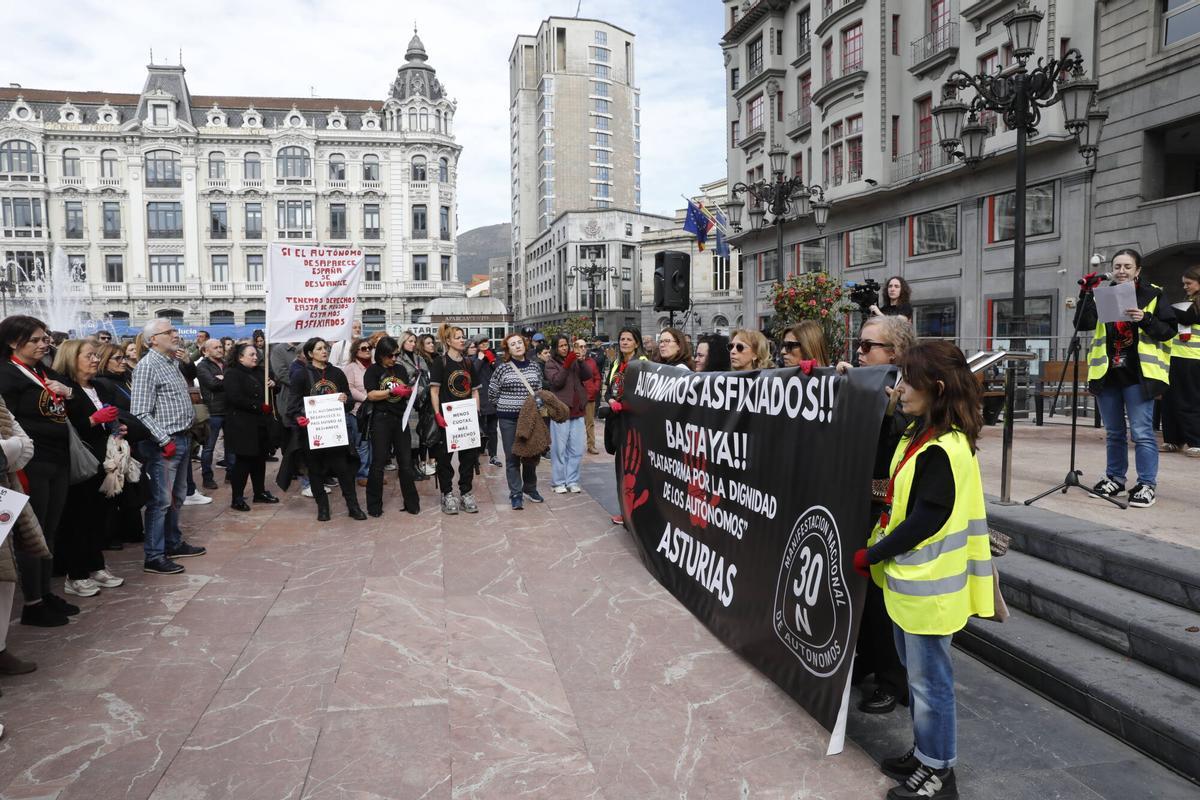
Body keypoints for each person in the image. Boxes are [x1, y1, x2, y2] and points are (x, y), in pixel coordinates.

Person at [856, 339, 993, 800]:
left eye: (907, 380)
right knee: (919, 682)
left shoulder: (944, 447)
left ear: (934, 388)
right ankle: (924, 754)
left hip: (930, 590)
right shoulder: (922, 435)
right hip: (911, 585)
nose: (900, 388)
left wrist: (871, 554)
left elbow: (925, 518)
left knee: (931, 686)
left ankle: (938, 773)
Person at [837, 314, 918, 715]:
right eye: (859, 344)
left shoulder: (912, 394)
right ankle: (867, 662)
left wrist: (885, 406)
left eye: (869, 346)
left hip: (893, 512)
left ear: (896, 353)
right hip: (859, 504)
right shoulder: (865, 385)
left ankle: (892, 678)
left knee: (884, 602)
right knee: (862, 596)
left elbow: (900, 449)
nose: (859, 351)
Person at [1075, 249, 1177, 507]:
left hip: (1138, 375)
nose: (1121, 271)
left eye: (1127, 267)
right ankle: (1115, 478)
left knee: (1142, 433)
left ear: (1138, 270)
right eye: (1118, 266)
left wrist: (1146, 318)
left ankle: (1146, 483)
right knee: (1114, 433)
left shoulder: (1153, 294)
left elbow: (1168, 332)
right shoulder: (1104, 293)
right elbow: (1083, 323)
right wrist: (1085, 294)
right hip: (1108, 374)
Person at [0, 316, 77, 625]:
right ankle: (33, 601)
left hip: (57, 458)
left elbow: (70, 393)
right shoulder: (6, 374)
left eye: (46, 338)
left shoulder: (43, 370)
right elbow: (8, 421)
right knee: (34, 531)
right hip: (31, 463)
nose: (44, 344)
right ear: (12, 342)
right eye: (36, 339)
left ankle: (45, 592)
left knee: (51, 527)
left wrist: (67, 391)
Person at [130, 318, 207, 575]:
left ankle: (173, 542)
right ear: (154, 339)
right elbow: (140, 411)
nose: (176, 334)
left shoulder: (172, 362)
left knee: (177, 496)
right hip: (167, 443)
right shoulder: (148, 366)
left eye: (175, 330)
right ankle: (154, 555)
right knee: (161, 501)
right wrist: (163, 440)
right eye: (169, 331)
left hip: (183, 437)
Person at [53, 338, 124, 598]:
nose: (95, 360)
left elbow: (110, 416)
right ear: (72, 358)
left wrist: (116, 427)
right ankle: (76, 574)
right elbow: (70, 425)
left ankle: (96, 566)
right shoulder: (65, 388)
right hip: (80, 462)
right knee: (78, 519)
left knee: (97, 517)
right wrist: (94, 419)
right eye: (89, 356)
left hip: (103, 460)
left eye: (96, 356)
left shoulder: (98, 387)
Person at [287, 337, 366, 522]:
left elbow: (348, 399)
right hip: (313, 432)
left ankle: (353, 507)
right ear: (309, 353)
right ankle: (323, 508)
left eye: (326, 348)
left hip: (334, 431)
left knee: (344, 471)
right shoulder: (301, 375)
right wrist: (300, 417)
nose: (324, 351)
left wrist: (346, 400)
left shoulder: (337, 373)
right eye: (319, 348)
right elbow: (292, 406)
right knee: (315, 471)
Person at [0, 394, 45, 687]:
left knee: (5, 577)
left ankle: (0, 649)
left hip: (4, 491)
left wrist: (7, 450)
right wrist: (8, 449)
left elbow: (25, 444)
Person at [94, 343, 150, 550]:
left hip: (133, 438)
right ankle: (112, 533)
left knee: (133, 484)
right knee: (116, 486)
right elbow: (114, 412)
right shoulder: (102, 383)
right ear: (104, 360)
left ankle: (132, 529)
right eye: (117, 358)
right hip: (117, 441)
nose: (123, 362)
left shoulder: (125, 379)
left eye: (123, 358)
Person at [363, 336, 421, 517]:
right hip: (381, 419)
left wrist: (407, 392)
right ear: (380, 355)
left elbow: (405, 388)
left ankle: (412, 503)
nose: (394, 359)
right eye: (390, 355)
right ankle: (374, 506)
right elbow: (371, 395)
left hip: (400, 418)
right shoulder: (372, 371)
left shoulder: (400, 369)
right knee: (378, 463)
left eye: (396, 355)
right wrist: (391, 391)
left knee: (405, 463)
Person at [488, 331, 546, 510]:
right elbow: (492, 393)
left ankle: (530, 488)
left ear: (525, 344)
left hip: (530, 419)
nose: (517, 346)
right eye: (512, 344)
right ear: (508, 349)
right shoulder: (503, 368)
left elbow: (539, 389)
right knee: (512, 456)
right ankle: (515, 493)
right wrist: (507, 407)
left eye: (519, 342)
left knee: (530, 454)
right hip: (508, 420)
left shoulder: (535, 367)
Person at [430, 323, 481, 515]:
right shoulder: (440, 362)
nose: (462, 340)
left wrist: (475, 412)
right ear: (448, 341)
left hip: (466, 418)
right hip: (448, 418)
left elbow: (475, 391)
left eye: (463, 336)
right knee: (445, 459)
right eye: (458, 337)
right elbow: (434, 391)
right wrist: (437, 414)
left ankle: (466, 492)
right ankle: (447, 493)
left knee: (468, 458)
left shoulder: (468, 363)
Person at [223, 343, 279, 511]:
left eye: (256, 354)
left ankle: (259, 492)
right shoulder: (232, 373)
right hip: (243, 426)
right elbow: (235, 398)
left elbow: (273, 391)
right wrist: (258, 406)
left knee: (259, 460)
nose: (255, 357)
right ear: (240, 357)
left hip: (261, 425)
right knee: (243, 462)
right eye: (251, 354)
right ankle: (237, 497)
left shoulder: (261, 372)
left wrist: (273, 385)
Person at [604, 326, 649, 525]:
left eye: (629, 339)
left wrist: (626, 404)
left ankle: (634, 513)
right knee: (621, 468)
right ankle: (623, 510)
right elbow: (608, 392)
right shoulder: (615, 364)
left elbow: (645, 395)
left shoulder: (644, 364)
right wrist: (611, 401)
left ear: (636, 343)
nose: (624, 342)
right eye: (622, 339)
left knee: (633, 470)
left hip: (635, 425)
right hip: (617, 423)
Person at [544, 333, 592, 494]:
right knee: (559, 449)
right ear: (555, 348)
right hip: (561, 411)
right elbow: (557, 382)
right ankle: (558, 482)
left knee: (577, 449)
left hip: (577, 410)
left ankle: (572, 480)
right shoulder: (550, 363)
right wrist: (567, 364)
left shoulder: (574, 360)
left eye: (566, 345)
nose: (564, 348)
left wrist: (581, 361)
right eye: (561, 346)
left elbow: (587, 375)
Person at [1161, 265, 1200, 456]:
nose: (1185, 287)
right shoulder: (1188, 301)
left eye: (1189, 283)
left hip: (1192, 359)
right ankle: (1173, 440)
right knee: (1169, 400)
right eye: (1183, 283)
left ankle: (1196, 441)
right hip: (1176, 357)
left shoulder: (1194, 306)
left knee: (1188, 401)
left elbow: (1186, 315)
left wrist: (1161, 302)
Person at [196, 338, 230, 490]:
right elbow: (212, 384)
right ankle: (207, 477)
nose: (220, 349)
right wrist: (225, 381)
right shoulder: (203, 366)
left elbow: (234, 381)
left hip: (229, 408)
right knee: (209, 446)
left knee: (232, 445)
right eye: (215, 347)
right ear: (206, 350)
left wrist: (225, 378)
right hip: (213, 410)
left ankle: (231, 474)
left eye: (220, 347)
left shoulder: (227, 363)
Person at [344, 337, 374, 486]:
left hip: (375, 411)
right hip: (358, 412)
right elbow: (349, 389)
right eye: (363, 348)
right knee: (362, 444)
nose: (367, 350)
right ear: (356, 351)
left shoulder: (374, 366)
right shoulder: (351, 368)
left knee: (373, 444)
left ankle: (372, 473)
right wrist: (367, 398)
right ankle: (362, 473)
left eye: (369, 347)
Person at [472, 334, 502, 467]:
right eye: (481, 343)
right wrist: (479, 360)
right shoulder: (473, 359)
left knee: (492, 429)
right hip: (479, 398)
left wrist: (493, 361)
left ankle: (493, 455)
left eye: (486, 342)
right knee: (479, 428)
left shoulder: (495, 357)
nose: (484, 345)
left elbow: (501, 373)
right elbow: (472, 374)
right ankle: (477, 454)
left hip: (493, 398)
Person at [576, 338, 601, 455]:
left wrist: (595, 389)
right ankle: (572, 447)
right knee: (573, 423)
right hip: (575, 398)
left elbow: (597, 377)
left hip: (589, 396)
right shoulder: (571, 361)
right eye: (580, 346)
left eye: (585, 346)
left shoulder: (591, 361)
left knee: (590, 423)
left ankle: (591, 445)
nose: (583, 349)